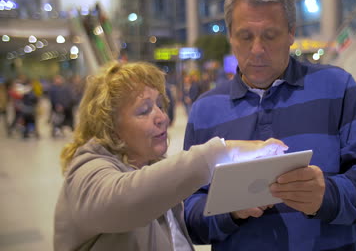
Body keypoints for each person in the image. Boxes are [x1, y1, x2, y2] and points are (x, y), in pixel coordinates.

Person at [182, 0, 356, 250]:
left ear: (291, 32)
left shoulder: (337, 88)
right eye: (245, 36)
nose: (257, 49)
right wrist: (229, 211)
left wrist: (327, 194)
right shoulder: (205, 110)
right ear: (230, 37)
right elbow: (186, 219)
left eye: (270, 35)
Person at [53, 61, 288, 251]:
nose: (162, 117)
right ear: (109, 125)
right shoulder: (85, 170)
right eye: (144, 110)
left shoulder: (150, 168)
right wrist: (219, 152)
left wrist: (234, 211)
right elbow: (124, 199)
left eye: (160, 105)